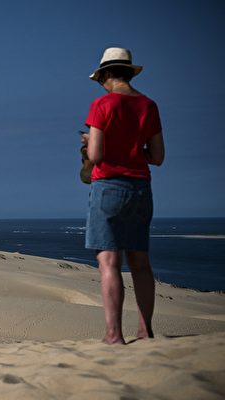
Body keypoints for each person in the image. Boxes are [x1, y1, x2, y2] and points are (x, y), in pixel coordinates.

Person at [81, 47, 165, 344]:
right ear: (129, 72)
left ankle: (114, 334)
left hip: (109, 187)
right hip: (141, 187)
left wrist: (91, 139)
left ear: (105, 75)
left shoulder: (101, 105)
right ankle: (145, 330)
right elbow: (157, 156)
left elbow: (97, 154)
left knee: (109, 261)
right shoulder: (149, 105)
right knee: (140, 261)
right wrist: (132, 148)